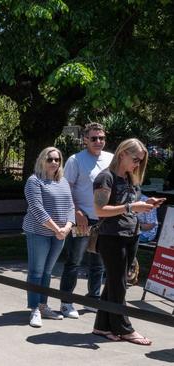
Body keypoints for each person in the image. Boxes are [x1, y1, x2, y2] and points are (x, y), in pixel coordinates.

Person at [92, 138, 165, 345]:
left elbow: (131, 204)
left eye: (141, 161)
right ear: (122, 153)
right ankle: (124, 329)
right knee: (119, 285)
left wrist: (146, 204)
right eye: (135, 159)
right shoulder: (106, 177)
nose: (138, 164)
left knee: (115, 283)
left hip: (131, 234)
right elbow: (99, 210)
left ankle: (101, 326)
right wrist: (132, 208)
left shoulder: (129, 178)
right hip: (112, 237)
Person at [59, 122, 113, 319]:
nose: (98, 141)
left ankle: (93, 299)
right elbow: (66, 189)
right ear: (85, 140)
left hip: (103, 220)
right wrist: (77, 211)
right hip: (82, 220)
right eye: (94, 138)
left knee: (98, 263)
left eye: (101, 138)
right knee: (74, 261)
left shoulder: (111, 159)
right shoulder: (76, 160)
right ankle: (66, 302)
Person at [23, 147, 75, 327]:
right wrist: (57, 229)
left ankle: (43, 305)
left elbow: (70, 206)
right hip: (39, 232)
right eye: (50, 159)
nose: (54, 162)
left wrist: (67, 227)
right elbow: (37, 209)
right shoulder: (34, 181)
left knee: (47, 271)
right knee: (36, 271)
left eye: (57, 159)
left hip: (59, 234)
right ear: (42, 160)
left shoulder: (63, 181)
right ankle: (34, 309)